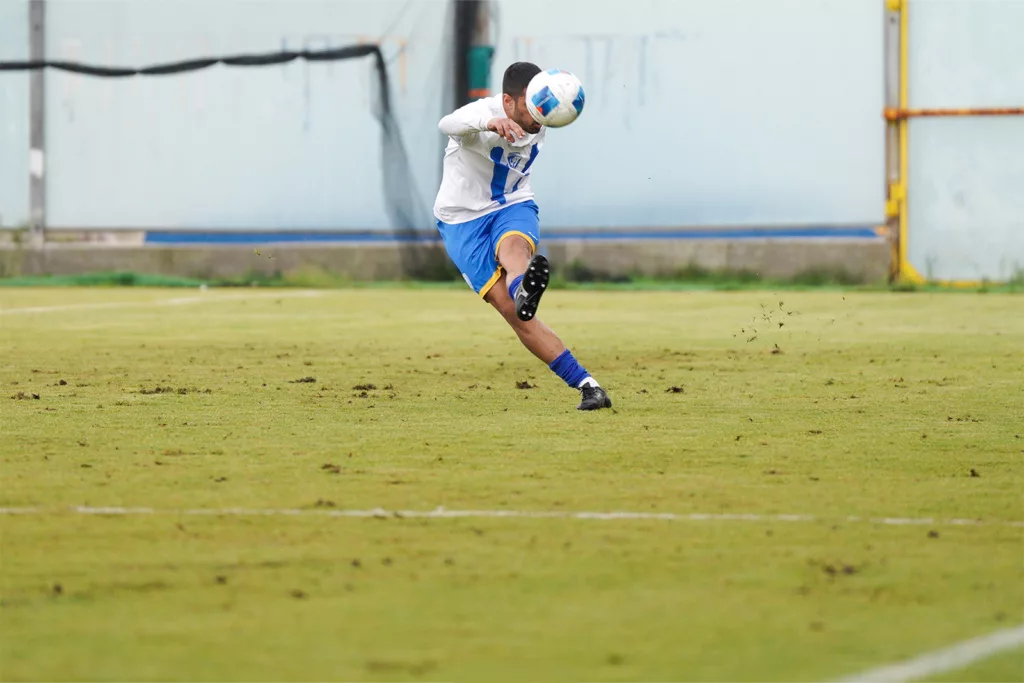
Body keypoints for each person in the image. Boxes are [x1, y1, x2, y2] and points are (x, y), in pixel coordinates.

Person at [433, 61, 612, 411]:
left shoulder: (540, 116)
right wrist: (488, 122)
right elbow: (446, 123)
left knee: (514, 249)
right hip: (461, 220)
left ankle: (523, 288)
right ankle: (586, 383)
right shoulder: (482, 115)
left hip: (512, 203)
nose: (539, 115)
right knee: (513, 313)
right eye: (531, 106)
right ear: (507, 101)